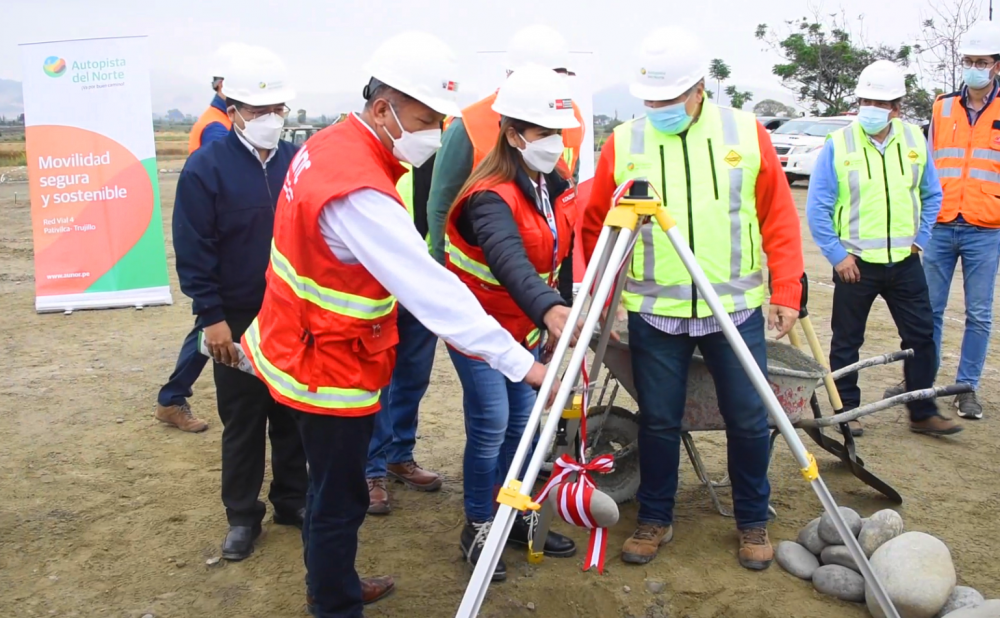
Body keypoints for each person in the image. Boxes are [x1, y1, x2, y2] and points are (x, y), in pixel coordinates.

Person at [240, 31, 553, 618]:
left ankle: (332, 583)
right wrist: (524, 364)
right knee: (338, 496)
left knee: (331, 489)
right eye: (424, 117)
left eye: (439, 118)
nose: (434, 131)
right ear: (382, 108)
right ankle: (334, 603)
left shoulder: (334, 144)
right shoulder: (358, 188)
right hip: (326, 366)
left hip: (305, 344)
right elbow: (432, 292)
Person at [582, 27, 804, 570]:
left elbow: (777, 215)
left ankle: (752, 519)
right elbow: (596, 228)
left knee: (749, 419)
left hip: (736, 309)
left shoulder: (747, 134)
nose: (656, 107)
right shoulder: (625, 142)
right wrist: (601, 301)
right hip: (657, 312)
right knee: (659, 420)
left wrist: (786, 290)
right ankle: (655, 517)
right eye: (649, 99)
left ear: (699, 88)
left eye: (667, 98)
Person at [444, 66, 581, 581]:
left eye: (557, 132)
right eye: (542, 132)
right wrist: (549, 308)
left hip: (521, 328)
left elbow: (557, 254)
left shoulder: (552, 181)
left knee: (523, 427)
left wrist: (554, 305)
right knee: (491, 426)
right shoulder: (490, 194)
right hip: (479, 330)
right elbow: (508, 259)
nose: (552, 142)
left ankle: (514, 514)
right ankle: (479, 524)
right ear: (513, 133)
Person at [172, 46, 307, 561]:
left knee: (293, 414)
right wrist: (212, 318)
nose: (270, 120)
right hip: (238, 321)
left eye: (277, 111)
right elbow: (194, 248)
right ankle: (242, 518)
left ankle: (292, 501)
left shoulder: (298, 163)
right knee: (244, 421)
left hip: (293, 316)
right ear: (233, 114)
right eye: (258, 111)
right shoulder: (206, 168)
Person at [806, 60, 961, 437]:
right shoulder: (839, 144)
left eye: (881, 101)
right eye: (866, 100)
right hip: (855, 264)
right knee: (847, 342)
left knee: (921, 337)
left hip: (905, 263)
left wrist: (919, 240)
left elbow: (932, 193)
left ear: (897, 106)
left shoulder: (913, 141)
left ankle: (922, 411)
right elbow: (818, 207)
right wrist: (837, 256)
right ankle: (847, 412)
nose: (872, 108)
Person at [427, 24, 585, 265]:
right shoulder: (468, 125)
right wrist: (440, 275)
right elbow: (441, 208)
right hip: (483, 277)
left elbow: (566, 200)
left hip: (545, 271)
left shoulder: (572, 119)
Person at [918, 20, 1000, 420]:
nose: (974, 68)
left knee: (979, 314)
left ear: (996, 66)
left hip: (986, 226)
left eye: (981, 61)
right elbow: (929, 165)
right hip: (941, 223)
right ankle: (923, 381)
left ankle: (967, 389)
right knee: (928, 309)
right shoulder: (942, 106)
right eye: (968, 61)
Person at [155, 54, 239, 433]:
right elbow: (231, 183)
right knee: (210, 326)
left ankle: (172, 397)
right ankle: (171, 398)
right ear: (221, 86)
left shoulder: (218, 121)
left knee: (209, 327)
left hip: (220, 237)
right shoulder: (218, 129)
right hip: (222, 241)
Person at [366, 157, 442, 515]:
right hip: (376, 285)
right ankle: (372, 470)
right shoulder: (366, 151)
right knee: (377, 379)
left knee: (413, 377)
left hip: (424, 284)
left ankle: (399, 456)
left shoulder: (444, 149)